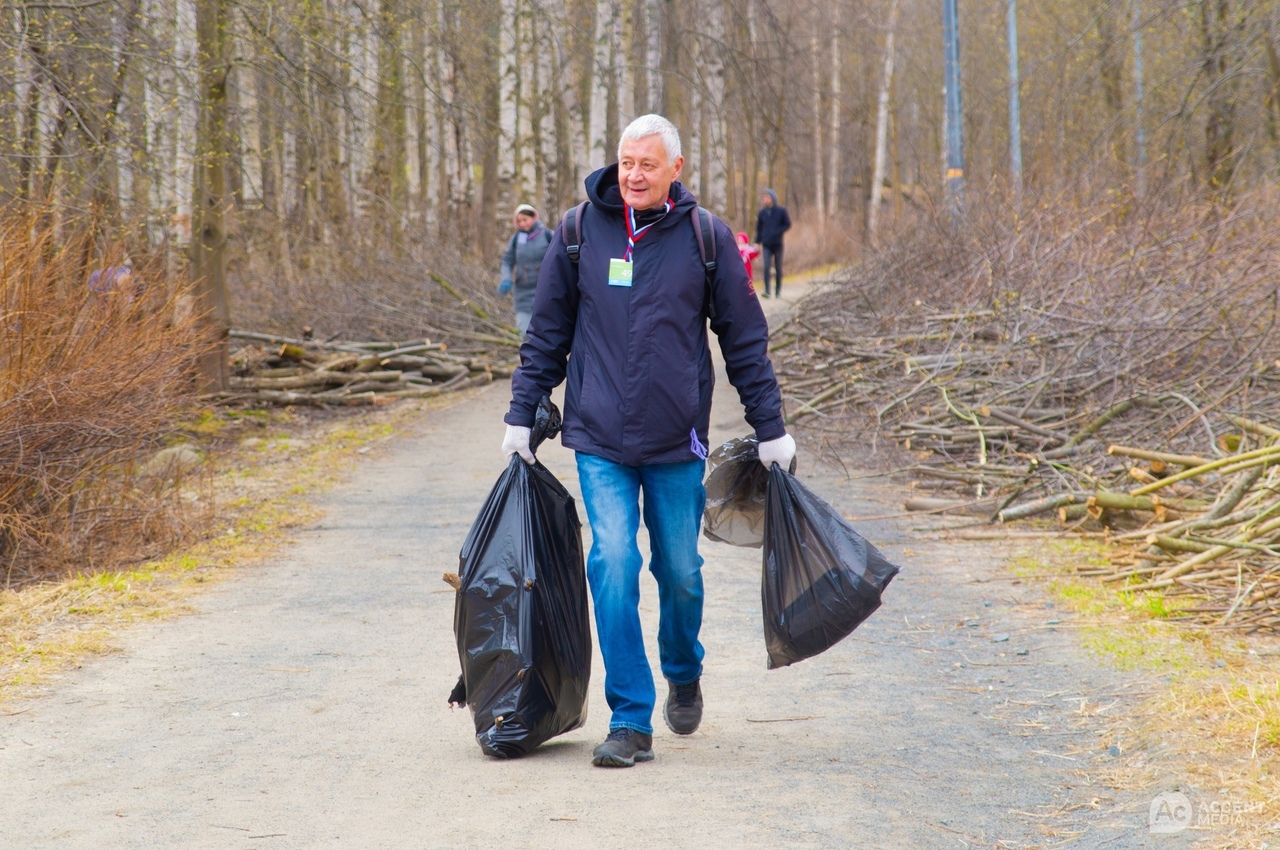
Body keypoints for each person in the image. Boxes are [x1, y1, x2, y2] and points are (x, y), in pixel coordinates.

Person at [500, 114, 796, 768]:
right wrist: (522, 412)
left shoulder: (705, 238)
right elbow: (546, 333)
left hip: (675, 439)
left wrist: (770, 428)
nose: (633, 174)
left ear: (676, 169)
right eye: (626, 161)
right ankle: (630, 718)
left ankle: (683, 669)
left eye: (648, 165)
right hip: (599, 437)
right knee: (612, 563)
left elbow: (744, 341)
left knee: (681, 574)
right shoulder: (578, 232)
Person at [498, 203, 553, 336]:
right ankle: (528, 356)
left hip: (546, 291)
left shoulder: (547, 235)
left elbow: (560, 258)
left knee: (546, 331)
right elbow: (507, 260)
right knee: (524, 332)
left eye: (525, 219)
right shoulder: (516, 239)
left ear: (534, 218)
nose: (522, 223)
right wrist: (506, 278)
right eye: (519, 221)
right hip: (523, 291)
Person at [754, 189, 791, 298]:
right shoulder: (762, 213)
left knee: (778, 267)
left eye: (767, 197)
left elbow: (787, 224)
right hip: (766, 244)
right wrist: (757, 242)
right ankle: (767, 290)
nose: (765, 200)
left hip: (778, 243)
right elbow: (759, 229)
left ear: (773, 199)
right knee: (766, 267)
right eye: (764, 197)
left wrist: (778, 231)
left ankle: (778, 291)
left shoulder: (781, 211)